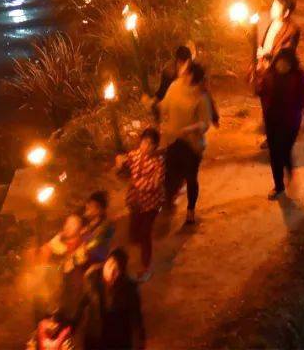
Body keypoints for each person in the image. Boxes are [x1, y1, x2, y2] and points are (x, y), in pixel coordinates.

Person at [159, 60, 214, 226]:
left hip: (192, 145)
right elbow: (165, 107)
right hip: (173, 140)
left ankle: (190, 209)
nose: (180, 69)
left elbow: (205, 123)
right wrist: (154, 106)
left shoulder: (201, 95)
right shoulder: (175, 86)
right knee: (169, 173)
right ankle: (168, 201)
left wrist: (190, 129)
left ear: (190, 75)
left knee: (190, 177)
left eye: (185, 68)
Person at [257, 47, 304, 199]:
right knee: (275, 153)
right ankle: (279, 186)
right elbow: (260, 91)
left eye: (286, 64)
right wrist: (257, 82)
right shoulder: (269, 74)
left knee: (285, 150)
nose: (282, 67)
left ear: (291, 64)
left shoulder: (299, 76)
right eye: (280, 63)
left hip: (290, 122)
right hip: (272, 120)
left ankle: (290, 170)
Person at [73, 249, 146, 350]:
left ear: (122, 272)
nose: (111, 271)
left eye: (116, 269)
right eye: (110, 265)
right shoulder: (91, 280)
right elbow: (80, 305)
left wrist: (140, 343)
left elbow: (136, 318)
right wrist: (72, 326)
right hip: (94, 338)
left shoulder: (129, 288)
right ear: (105, 263)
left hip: (117, 340)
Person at [117, 127, 165, 280]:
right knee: (134, 234)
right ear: (140, 141)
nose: (146, 146)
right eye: (144, 142)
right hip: (135, 203)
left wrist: (136, 183)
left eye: (151, 144)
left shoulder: (158, 164)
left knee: (145, 234)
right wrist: (119, 164)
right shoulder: (134, 155)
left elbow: (155, 185)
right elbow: (123, 172)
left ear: (155, 146)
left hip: (150, 205)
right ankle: (138, 256)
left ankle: (146, 267)